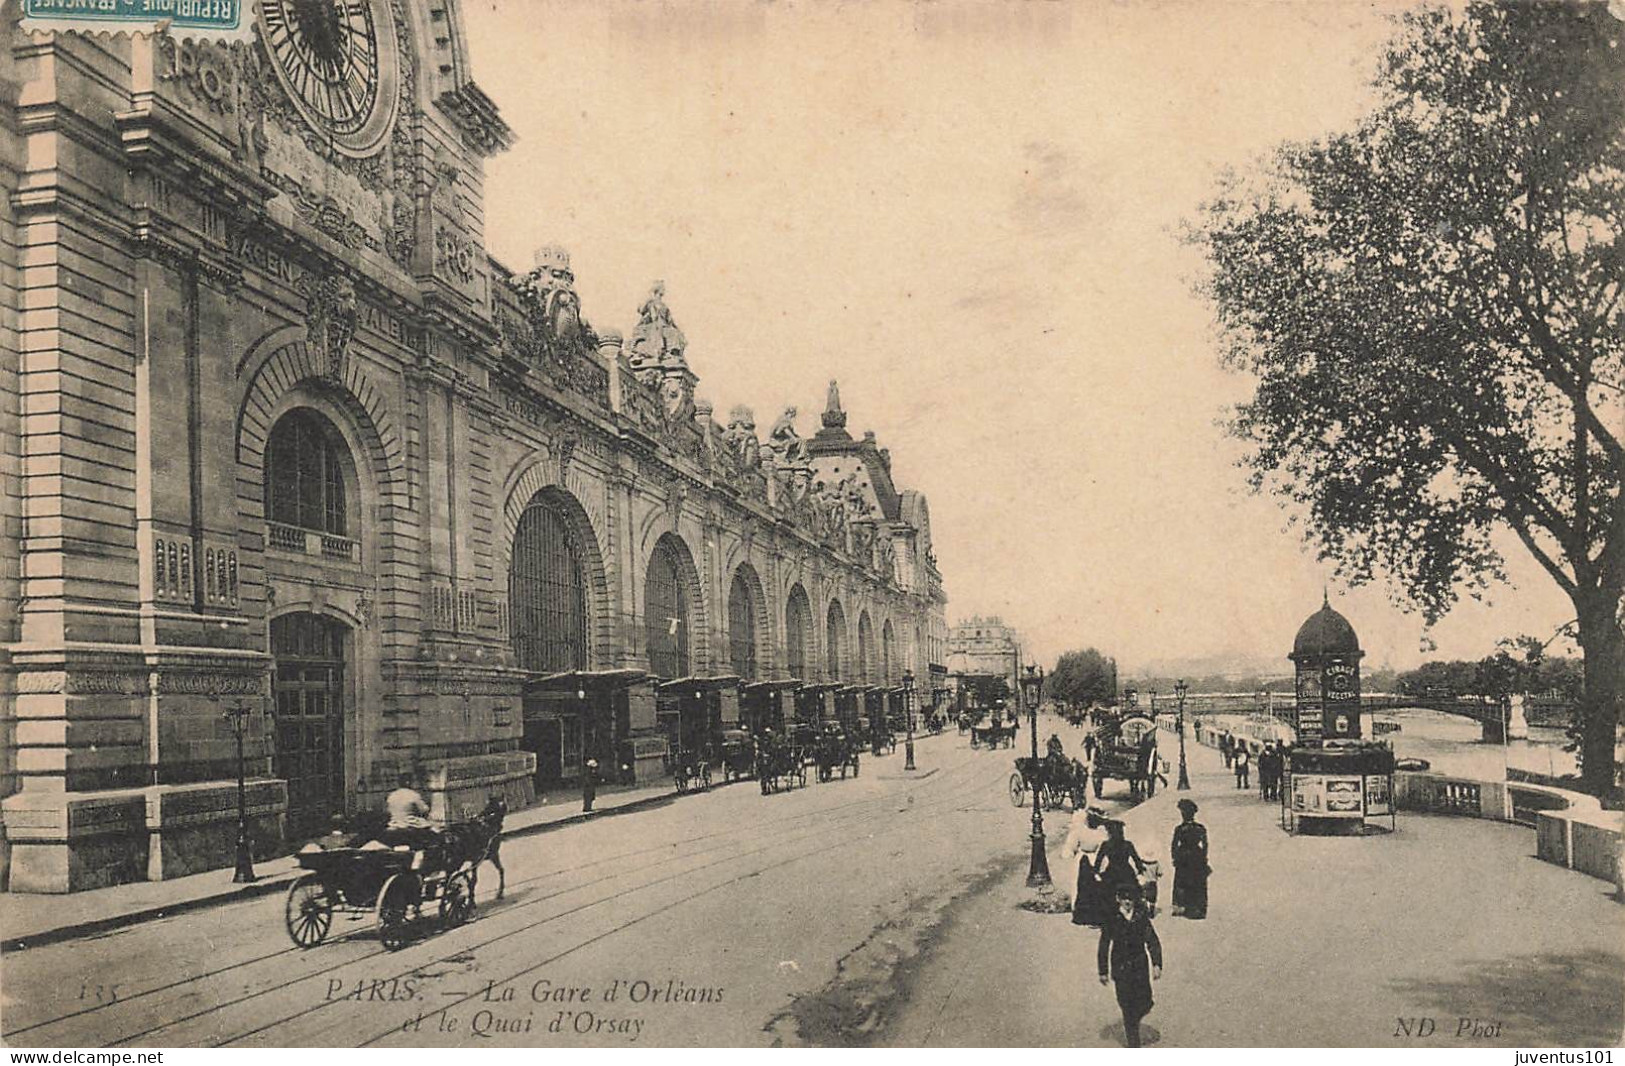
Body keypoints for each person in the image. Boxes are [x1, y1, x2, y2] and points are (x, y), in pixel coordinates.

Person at [1098, 883, 1163, 1048]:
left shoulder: (1141, 917)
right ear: (1118, 899)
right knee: (1127, 1004)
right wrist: (1103, 971)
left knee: (1145, 1002)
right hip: (1120, 967)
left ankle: (1135, 1017)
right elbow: (1104, 944)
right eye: (1124, 898)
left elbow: (1152, 941)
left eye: (1130, 899)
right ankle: (1134, 1042)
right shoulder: (1112, 918)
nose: (1127, 902)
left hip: (1139, 965)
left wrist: (1157, 964)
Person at [1067, 806, 1110, 927]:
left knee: (1080, 885)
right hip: (1096, 859)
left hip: (1082, 859)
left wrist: (1075, 852)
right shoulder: (1101, 833)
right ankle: (1096, 915)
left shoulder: (1080, 831)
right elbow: (1104, 848)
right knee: (1097, 887)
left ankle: (1081, 914)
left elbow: (1073, 847)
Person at [1170, 798, 1210, 919]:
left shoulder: (1179, 829)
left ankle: (1181, 905)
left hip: (1183, 856)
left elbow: (1174, 845)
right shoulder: (1200, 828)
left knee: (1182, 880)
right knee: (1198, 880)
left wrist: (1175, 857)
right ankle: (1199, 906)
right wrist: (1203, 857)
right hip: (1196, 855)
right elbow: (1205, 844)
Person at [384, 771, 437, 851]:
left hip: (395, 825)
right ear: (408, 782)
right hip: (411, 825)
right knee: (435, 837)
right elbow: (424, 810)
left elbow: (388, 811)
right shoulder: (413, 795)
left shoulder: (391, 796)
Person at [1094, 818, 1147, 895]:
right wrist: (1140, 871)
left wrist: (1096, 871)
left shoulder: (1106, 845)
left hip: (1111, 873)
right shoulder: (1128, 844)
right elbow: (1136, 859)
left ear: (1110, 832)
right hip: (1126, 872)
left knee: (1104, 893)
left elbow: (1098, 860)